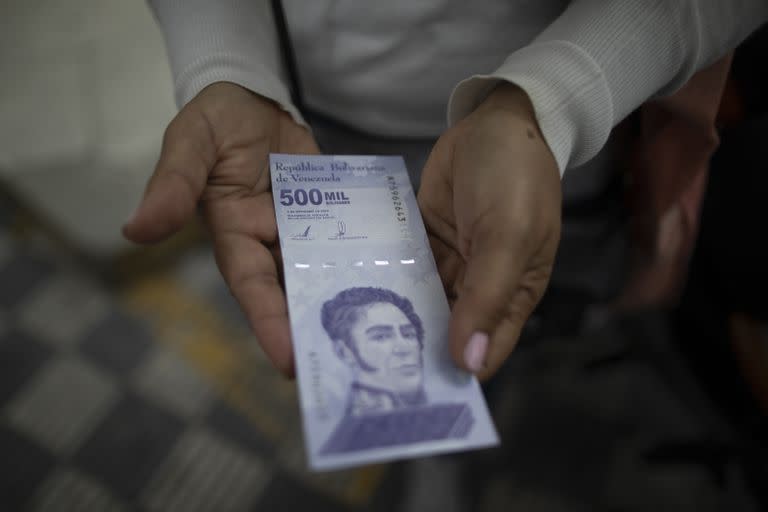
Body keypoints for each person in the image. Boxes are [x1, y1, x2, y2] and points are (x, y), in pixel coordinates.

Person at [123, 0, 768, 380]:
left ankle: (519, 376)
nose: (395, 344)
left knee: (519, 298)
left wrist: (550, 102)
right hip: (307, 123)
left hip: (546, 145)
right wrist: (229, 65)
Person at [319, 287, 474, 454]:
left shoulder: (453, 416)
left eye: (408, 334)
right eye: (381, 336)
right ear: (344, 351)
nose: (404, 347)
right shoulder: (348, 440)